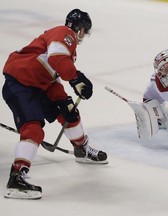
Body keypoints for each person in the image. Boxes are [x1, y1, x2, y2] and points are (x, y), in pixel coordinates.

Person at [2, 9, 108, 200]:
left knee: (69, 111)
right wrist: (76, 79)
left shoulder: (66, 46)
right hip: (20, 83)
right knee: (33, 130)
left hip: (39, 84)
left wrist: (62, 99)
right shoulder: (64, 33)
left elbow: (51, 73)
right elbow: (56, 59)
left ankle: (81, 148)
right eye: (85, 31)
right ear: (81, 30)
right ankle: (16, 179)